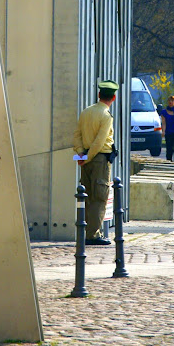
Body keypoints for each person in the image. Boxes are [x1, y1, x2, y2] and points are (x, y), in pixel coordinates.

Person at [73, 79, 119, 246]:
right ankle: (93, 234)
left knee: (87, 197)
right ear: (113, 98)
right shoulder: (106, 116)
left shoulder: (86, 112)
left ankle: (85, 231)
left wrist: (81, 154)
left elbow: (77, 135)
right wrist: (88, 157)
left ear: (99, 94)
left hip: (86, 157)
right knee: (99, 197)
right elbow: (100, 141)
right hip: (99, 159)